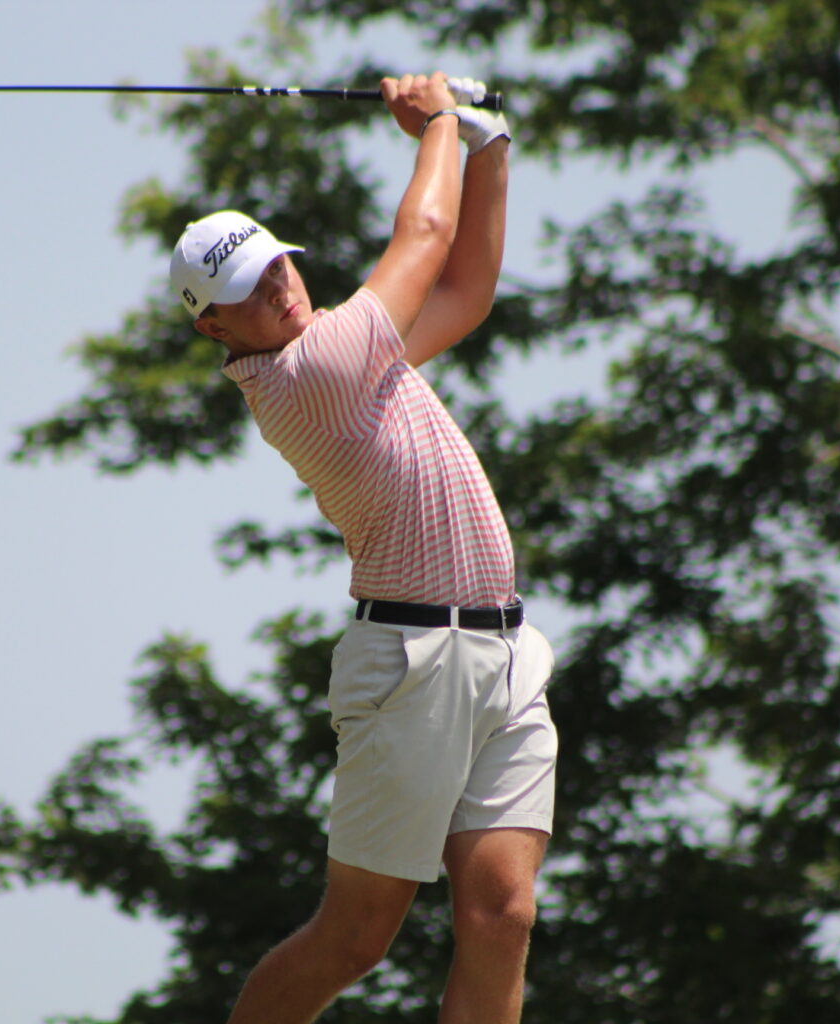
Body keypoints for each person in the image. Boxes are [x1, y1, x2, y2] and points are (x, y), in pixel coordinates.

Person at [168, 72, 557, 1024]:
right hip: (412, 664)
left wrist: (487, 146)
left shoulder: (353, 350)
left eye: (276, 266)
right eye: (247, 292)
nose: (278, 287)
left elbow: (464, 290)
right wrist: (435, 127)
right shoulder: (312, 371)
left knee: (502, 914)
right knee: (357, 939)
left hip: (506, 655)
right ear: (214, 326)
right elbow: (424, 240)